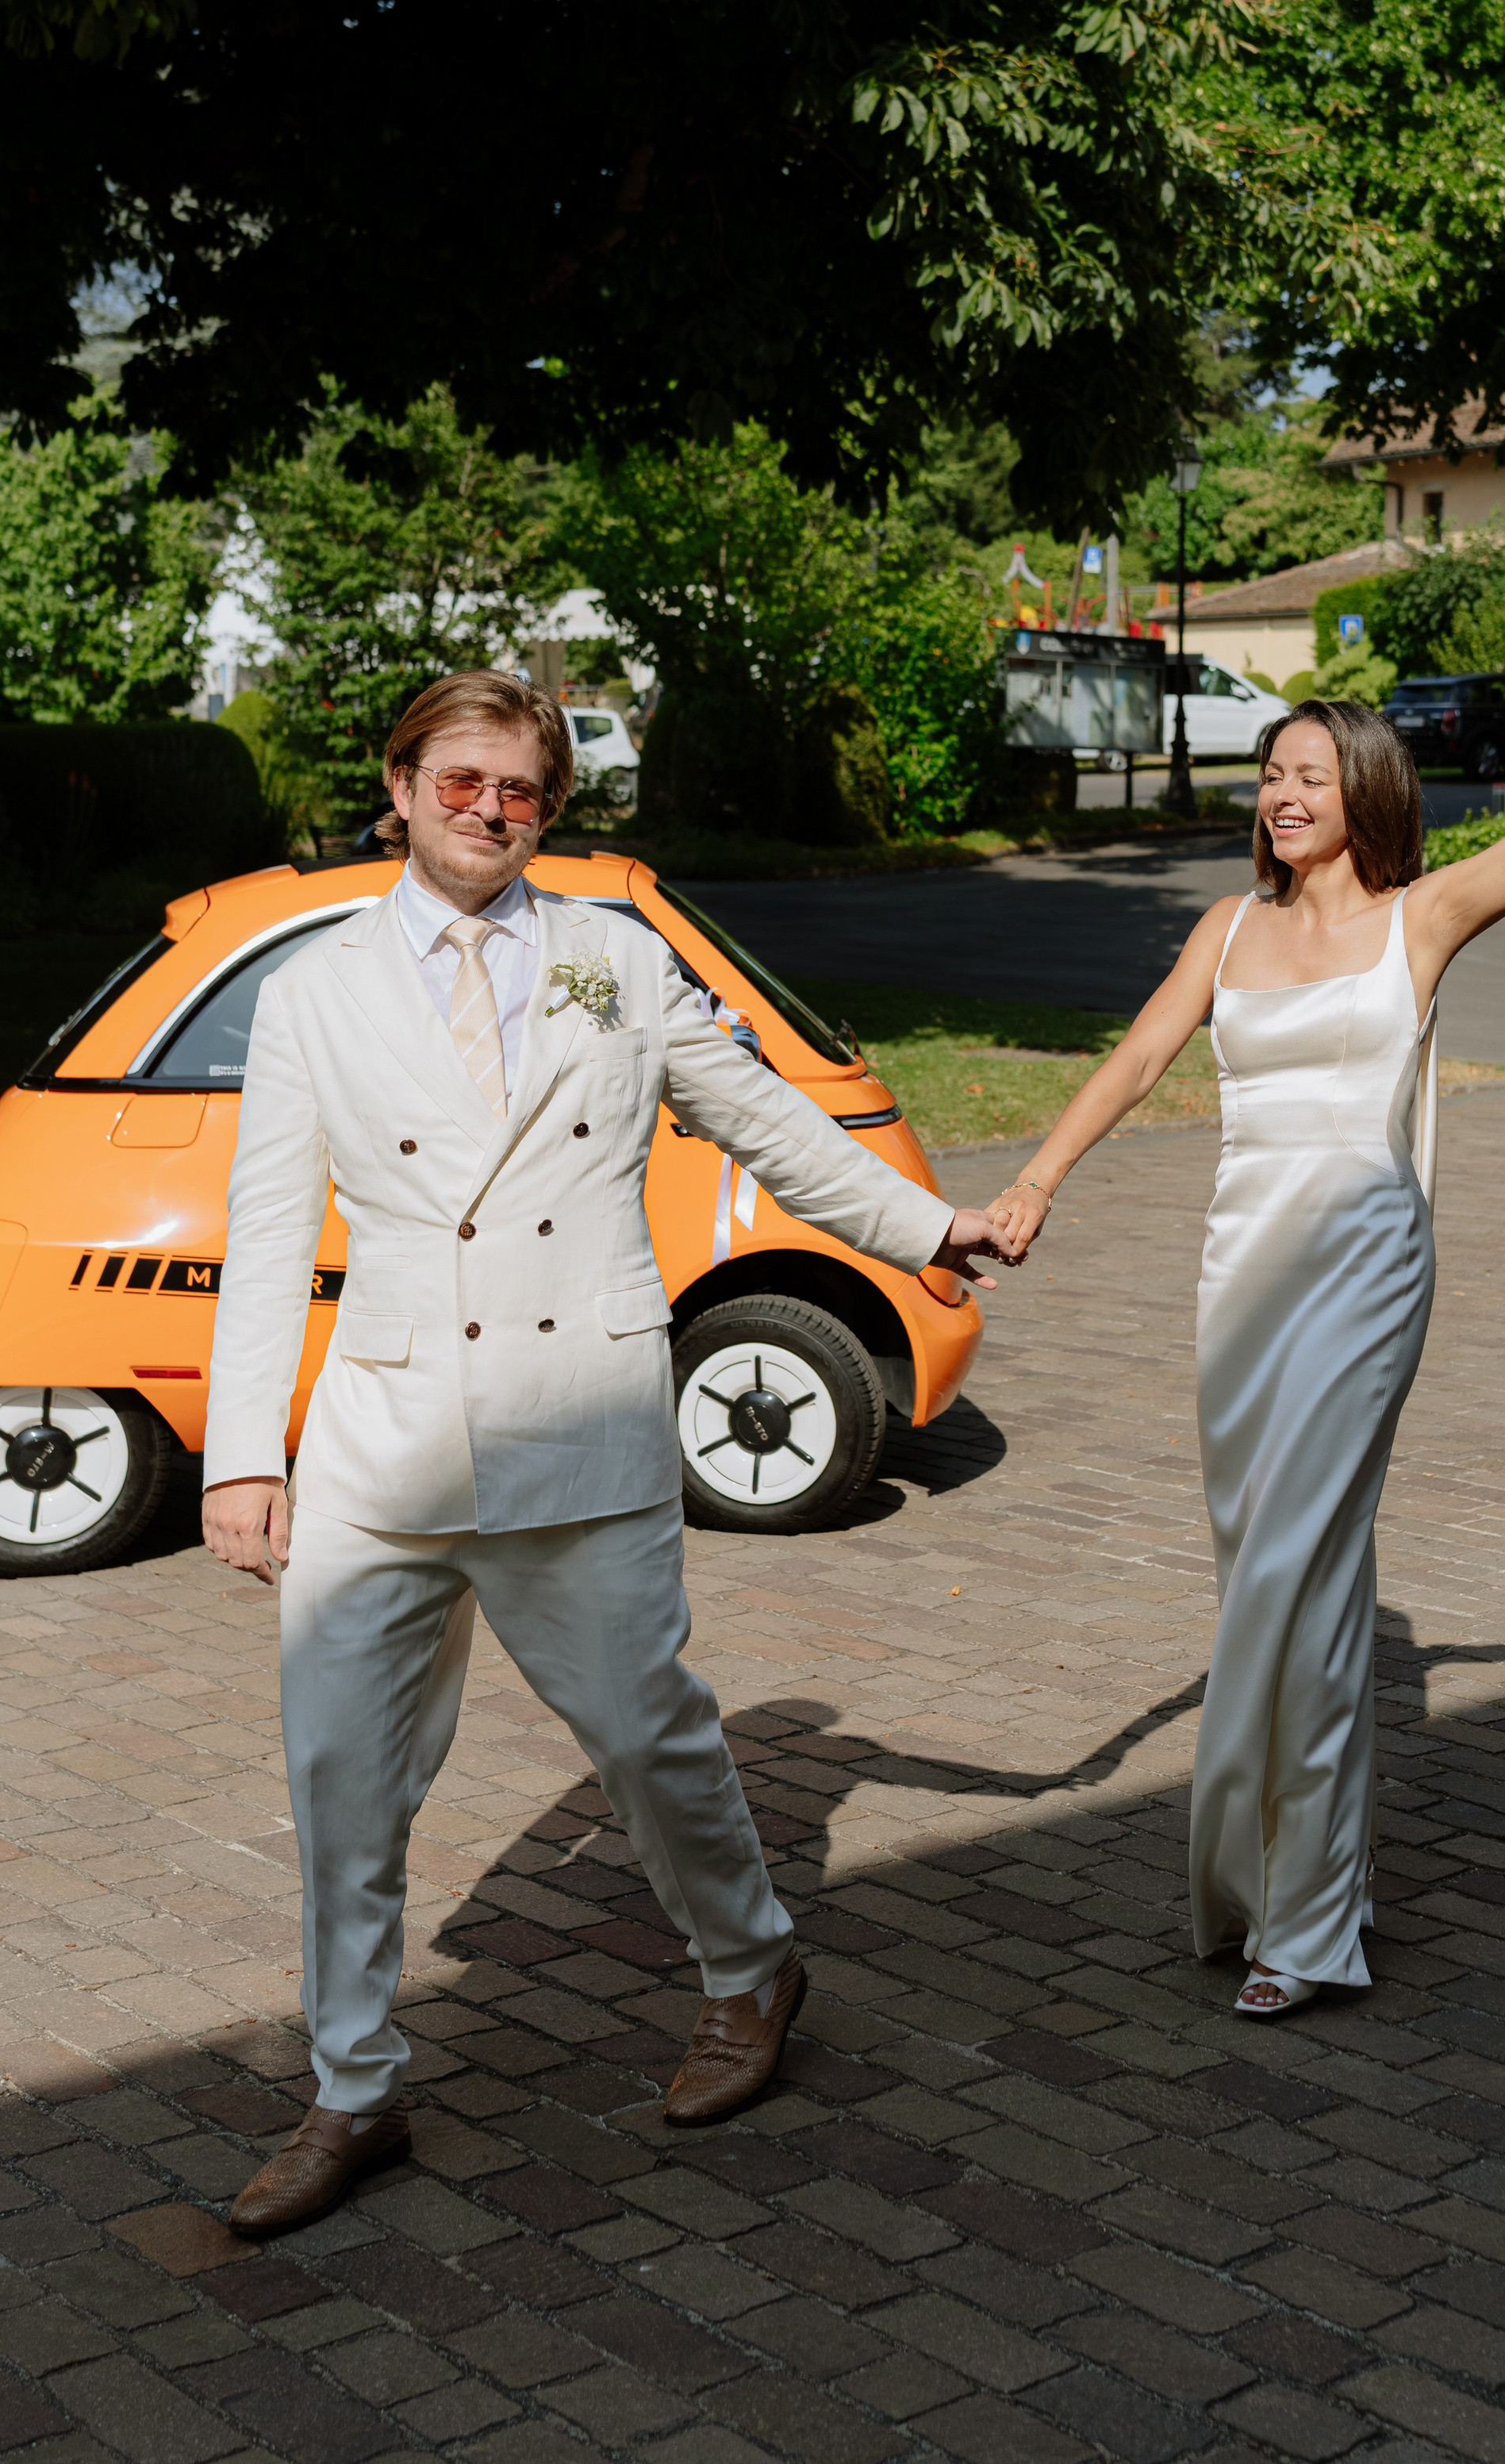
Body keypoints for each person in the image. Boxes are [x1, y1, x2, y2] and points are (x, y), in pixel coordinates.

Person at [202, 671, 1010, 2235]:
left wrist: (925, 1227)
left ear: (550, 809)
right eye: (463, 782)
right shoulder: (314, 986)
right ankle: (352, 2090)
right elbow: (261, 1234)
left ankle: (750, 1965)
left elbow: (763, 1124)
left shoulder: (608, 964)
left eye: (524, 791)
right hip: (385, 1439)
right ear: (399, 783)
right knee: (342, 1779)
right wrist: (248, 1452)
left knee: (645, 1740)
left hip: (583, 1421)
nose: (493, 812)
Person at [986, 640, 1505, 2015]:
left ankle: (1302, 1926)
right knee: (1278, 1580)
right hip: (1242, 1270)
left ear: (1365, 792)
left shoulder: (1421, 919)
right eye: (1269, 773)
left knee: (1293, 1579)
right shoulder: (1227, 931)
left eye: (1308, 774)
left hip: (1366, 1266)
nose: (1279, 793)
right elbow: (1140, 1057)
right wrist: (1035, 1178)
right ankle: (1278, 1892)